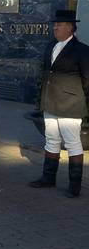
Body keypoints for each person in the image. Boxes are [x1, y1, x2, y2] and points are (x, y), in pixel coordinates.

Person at [30, 10, 89, 198]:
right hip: (50, 101)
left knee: (72, 143)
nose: (55, 27)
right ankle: (48, 178)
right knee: (51, 140)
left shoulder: (82, 50)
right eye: (54, 24)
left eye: (59, 24)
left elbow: (87, 78)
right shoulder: (51, 47)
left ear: (70, 28)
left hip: (70, 104)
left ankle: (74, 186)